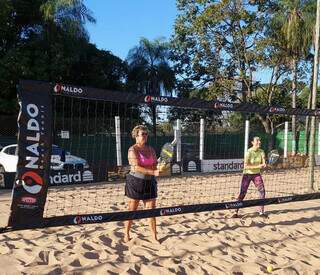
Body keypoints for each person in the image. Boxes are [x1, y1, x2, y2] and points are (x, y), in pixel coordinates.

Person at [124, 125, 160, 243]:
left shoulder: (151, 149)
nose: (145, 136)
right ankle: (126, 234)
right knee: (132, 210)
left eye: (146, 134)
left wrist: (160, 168)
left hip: (150, 182)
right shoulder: (132, 149)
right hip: (136, 182)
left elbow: (155, 165)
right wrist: (153, 171)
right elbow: (136, 167)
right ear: (136, 136)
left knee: (151, 211)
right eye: (142, 134)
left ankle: (154, 236)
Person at [233, 136, 267, 218]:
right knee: (243, 193)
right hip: (247, 174)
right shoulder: (248, 152)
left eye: (260, 140)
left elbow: (264, 162)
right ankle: (235, 211)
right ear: (252, 142)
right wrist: (259, 165)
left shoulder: (262, 151)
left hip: (256, 175)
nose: (259, 142)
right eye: (257, 141)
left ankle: (261, 212)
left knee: (262, 191)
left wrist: (265, 165)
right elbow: (246, 166)